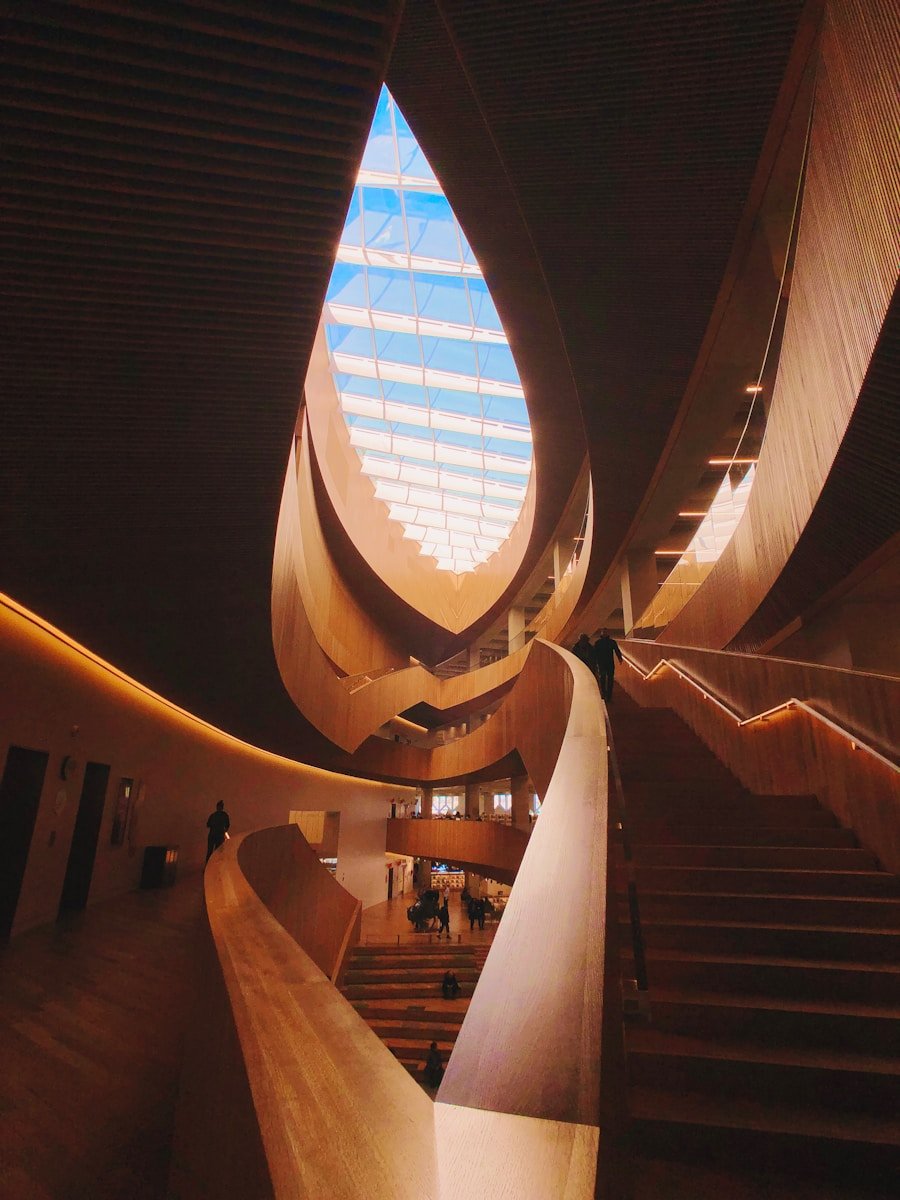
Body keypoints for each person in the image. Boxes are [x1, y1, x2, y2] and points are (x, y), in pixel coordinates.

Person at [593, 628, 623, 701]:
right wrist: (619, 658)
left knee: (605, 678)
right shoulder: (611, 642)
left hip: (604, 663)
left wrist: (619, 657)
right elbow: (617, 650)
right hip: (606, 663)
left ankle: (606, 694)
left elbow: (617, 650)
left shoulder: (598, 642)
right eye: (604, 632)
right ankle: (606, 694)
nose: (604, 634)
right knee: (607, 679)